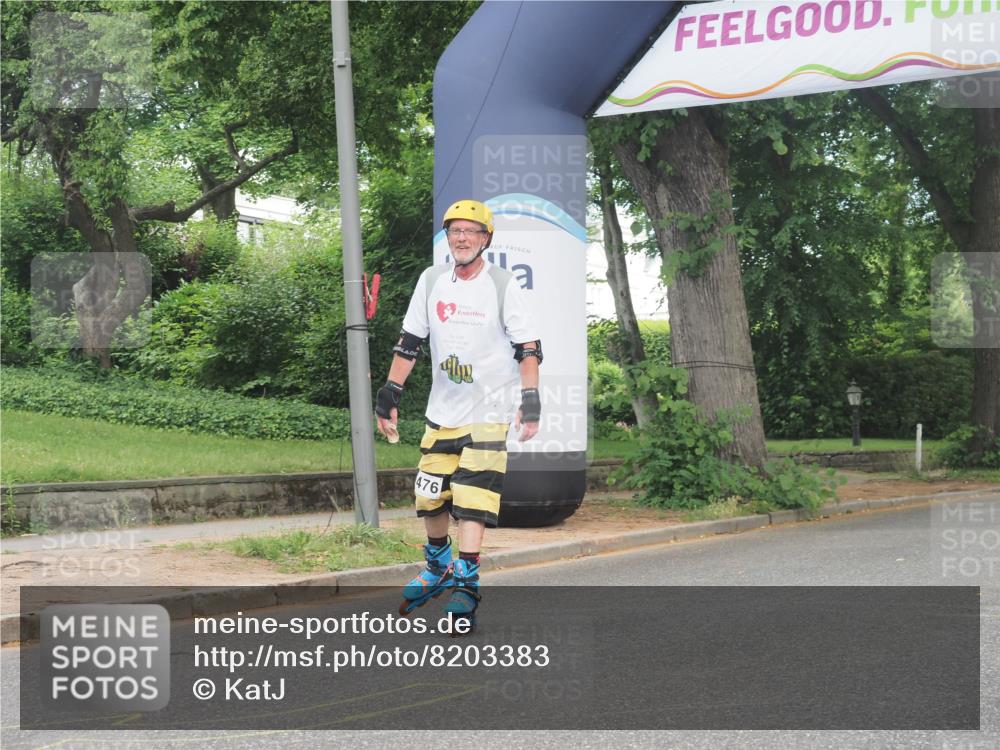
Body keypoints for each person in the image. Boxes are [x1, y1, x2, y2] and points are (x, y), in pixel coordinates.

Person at [375, 199, 541, 632]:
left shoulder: (503, 285)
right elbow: (409, 342)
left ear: (485, 239)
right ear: (447, 238)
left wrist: (531, 399)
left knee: (471, 501)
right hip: (442, 412)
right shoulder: (431, 281)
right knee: (429, 496)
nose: (462, 238)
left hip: (489, 412)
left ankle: (466, 587)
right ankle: (438, 566)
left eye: (471, 231)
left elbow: (528, 348)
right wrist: (390, 391)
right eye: (455, 231)